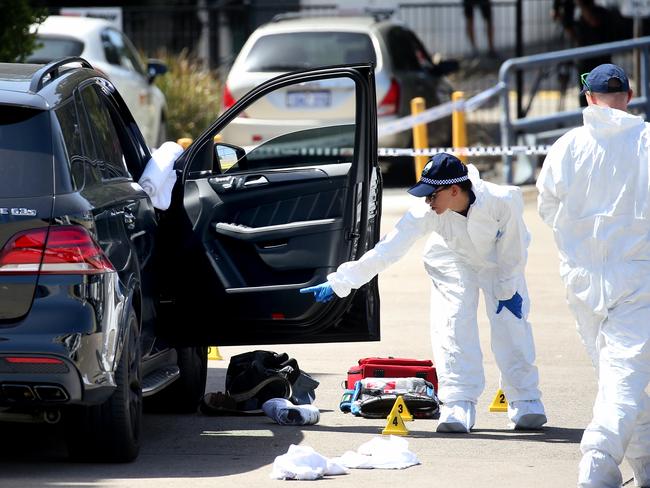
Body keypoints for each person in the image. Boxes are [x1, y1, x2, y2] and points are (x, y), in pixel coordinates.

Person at [301, 153, 547, 433]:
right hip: (452, 258)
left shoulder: (503, 200)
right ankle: (458, 401)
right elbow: (388, 249)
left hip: (500, 262)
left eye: (432, 194)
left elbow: (513, 251)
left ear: (455, 190)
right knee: (453, 323)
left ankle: (525, 399)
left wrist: (506, 289)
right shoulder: (427, 211)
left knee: (511, 326)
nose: (428, 200)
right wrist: (341, 282)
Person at [537, 63, 650, 488]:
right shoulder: (646, 141)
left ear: (588, 97)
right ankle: (598, 464)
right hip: (638, 278)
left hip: (582, 280)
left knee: (619, 378)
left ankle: (644, 465)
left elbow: (547, 207)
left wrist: (580, 241)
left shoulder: (567, 146)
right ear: (630, 94)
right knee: (623, 379)